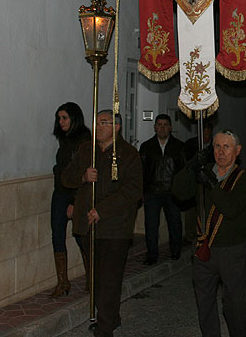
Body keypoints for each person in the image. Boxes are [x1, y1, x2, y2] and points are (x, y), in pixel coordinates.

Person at [62, 110, 143, 337]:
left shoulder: (129, 155)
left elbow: (133, 191)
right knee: (96, 279)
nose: (98, 127)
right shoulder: (86, 150)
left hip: (115, 228)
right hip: (88, 226)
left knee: (109, 279)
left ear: (116, 127)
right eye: (96, 122)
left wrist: (103, 210)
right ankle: (111, 316)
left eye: (104, 123)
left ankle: (105, 328)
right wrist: (83, 177)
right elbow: (65, 178)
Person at [172, 129, 246, 337]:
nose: (221, 151)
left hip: (231, 249)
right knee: (205, 301)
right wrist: (191, 166)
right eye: (217, 146)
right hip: (203, 247)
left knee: (235, 301)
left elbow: (230, 208)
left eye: (226, 147)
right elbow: (178, 191)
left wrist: (210, 182)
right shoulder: (203, 171)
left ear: (237, 150)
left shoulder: (245, 179)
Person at [50, 102, 91, 298]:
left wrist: (74, 202)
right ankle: (62, 282)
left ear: (74, 118)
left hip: (76, 193)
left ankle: (92, 277)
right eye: (59, 118)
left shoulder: (83, 140)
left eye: (64, 118)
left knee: (80, 235)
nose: (61, 122)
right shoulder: (65, 139)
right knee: (57, 234)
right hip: (60, 191)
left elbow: (81, 172)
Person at [139, 114, 186, 265]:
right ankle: (152, 255)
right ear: (155, 127)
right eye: (159, 124)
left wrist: (181, 190)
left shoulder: (179, 147)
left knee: (174, 222)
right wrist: (141, 191)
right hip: (152, 192)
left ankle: (175, 250)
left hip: (172, 193)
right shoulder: (146, 147)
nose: (162, 127)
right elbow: (141, 171)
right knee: (151, 225)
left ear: (171, 128)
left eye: (165, 125)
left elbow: (183, 171)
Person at [183, 121, 215, 243]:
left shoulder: (215, 146)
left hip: (209, 182)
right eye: (203, 134)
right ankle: (190, 235)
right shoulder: (190, 145)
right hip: (193, 182)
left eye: (208, 134)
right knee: (191, 211)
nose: (205, 137)